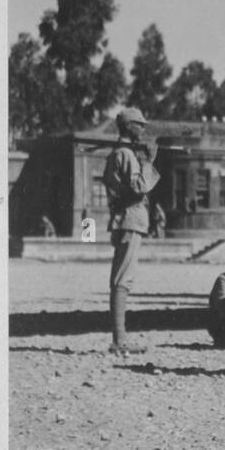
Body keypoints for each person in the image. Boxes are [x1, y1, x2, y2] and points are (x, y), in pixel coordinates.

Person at [101, 107, 159, 356]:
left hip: (126, 218)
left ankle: (119, 336)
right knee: (123, 279)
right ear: (129, 126)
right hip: (130, 217)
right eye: (140, 124)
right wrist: (148, 162)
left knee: (121, 278)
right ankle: (119, 339)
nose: (143, 129)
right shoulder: (126, 154)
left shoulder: (120, 153)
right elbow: (139, 187)